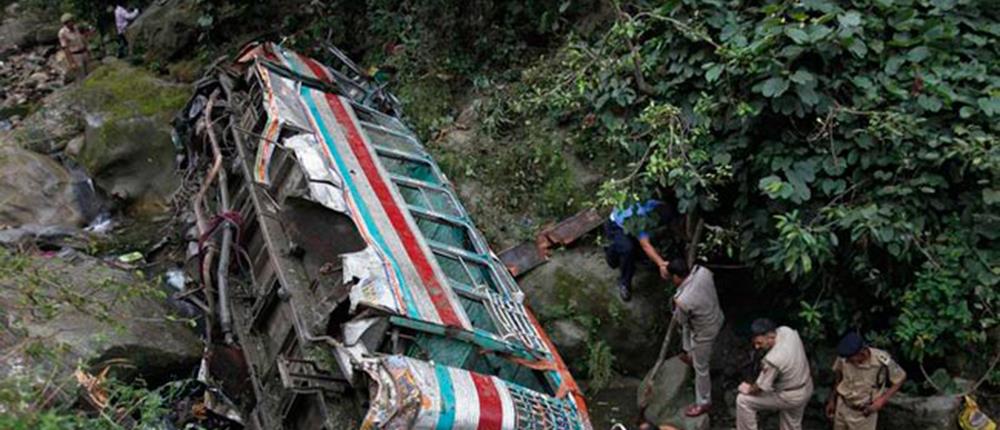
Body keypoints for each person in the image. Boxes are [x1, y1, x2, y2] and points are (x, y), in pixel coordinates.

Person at [669, 258, 724, 417]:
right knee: (688, 328)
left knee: (701, 368)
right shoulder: (703, 272)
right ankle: (689, 352)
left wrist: (676, 303)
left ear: (676, 277)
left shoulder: (684, 300)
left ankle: (704, 402)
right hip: (716, 316)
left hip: (704, 332)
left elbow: (680, 320)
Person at [736, 318, 813, 430]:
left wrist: (748, 389)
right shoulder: (787, 331)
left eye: (759, 343)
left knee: (743, 400)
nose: (756, 347)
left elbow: (761, 387)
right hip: (805, 386)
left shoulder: (773, 359)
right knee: (791, 424)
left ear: (771, 337)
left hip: (789, 396)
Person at [825, 332, 906, 430]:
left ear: (861, 353)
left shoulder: (881, 360)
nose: (847, 361)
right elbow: (839, 376)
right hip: (842, 407)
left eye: (850, 359)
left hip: (864, 414)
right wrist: (832, 399)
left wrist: (881, 401)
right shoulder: (845, 356)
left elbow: (900, 378)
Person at [603, 199, 672, 301]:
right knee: (627, 249)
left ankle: (621, 252)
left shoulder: (656, 204)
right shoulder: (641, 217)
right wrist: (661, 264)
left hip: (629, 222)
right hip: (616, 226)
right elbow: (646, 245)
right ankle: (624, 283)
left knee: (639, 251)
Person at [58, 13, 91, 82]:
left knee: (90, 73)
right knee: (81, 77)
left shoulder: (76, 28)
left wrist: (88, 50)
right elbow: (65, 48)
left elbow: (82, 38)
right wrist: (71, 63)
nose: (72, 23)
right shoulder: (62, 33)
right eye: (70, 22)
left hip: (83, 52)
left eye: (72, 21)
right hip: (75, 56)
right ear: (66, 23)